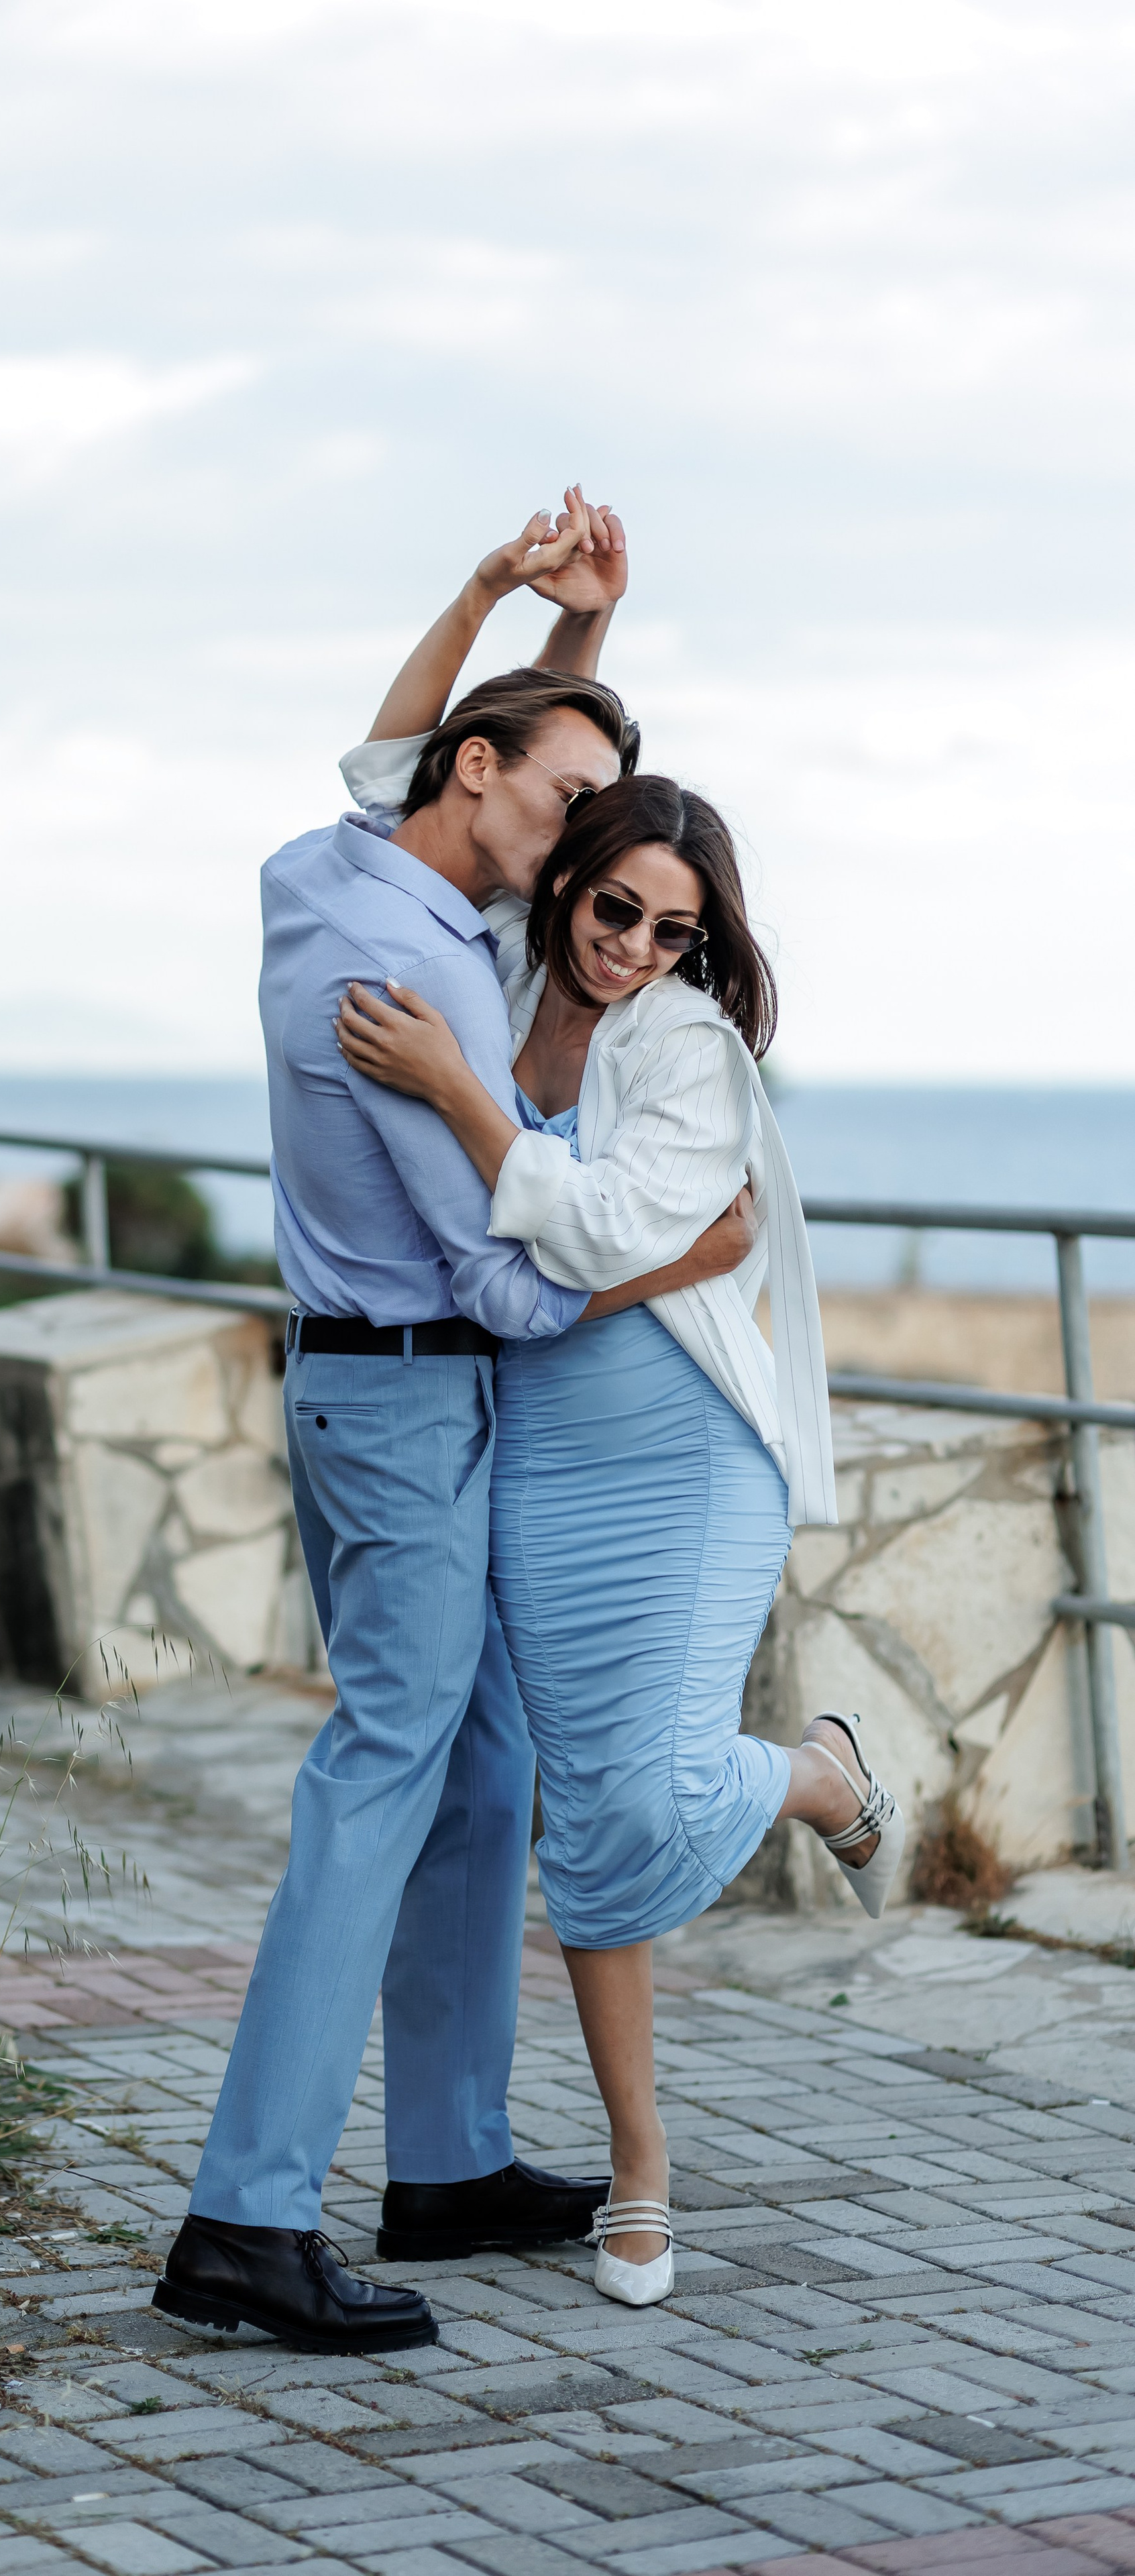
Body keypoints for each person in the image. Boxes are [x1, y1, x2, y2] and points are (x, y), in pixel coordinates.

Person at [152, 494, 761, 2356]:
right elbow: (509, 1290)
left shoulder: (336, 871)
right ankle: (246, 2217)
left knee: (490, 1771)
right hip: (414, 1398)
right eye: (566, 809)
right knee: (385, 1777)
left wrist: (525, 602)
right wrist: (685, 1257)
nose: (584, 852)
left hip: (379, 1391)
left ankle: (449, 2161)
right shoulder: (418, 977)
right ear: (477, 775)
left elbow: (422, 757)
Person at [336, 767, 906, 2310]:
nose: (632, 947)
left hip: (685, 1453)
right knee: (588, 1816)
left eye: (671, 930)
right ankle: (637, 2162)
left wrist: (456, 1093)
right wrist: (552, 636)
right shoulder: (494, 962)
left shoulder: (688, 1047)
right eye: (613, 907)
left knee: (646, 1785)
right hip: (539, 1457)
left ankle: (812, 1775)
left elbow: (590, 1228)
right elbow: (392, 782)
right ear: (563, 875)